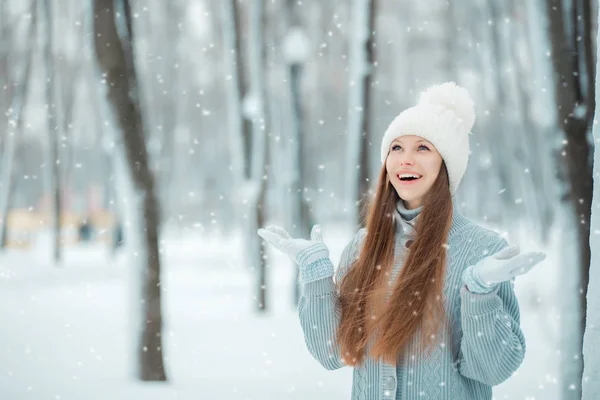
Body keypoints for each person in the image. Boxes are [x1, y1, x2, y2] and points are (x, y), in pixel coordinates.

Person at [257, 82, 546, 399]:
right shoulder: (363, 246)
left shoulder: (483, 249)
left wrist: (480, 292)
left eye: (422, 148)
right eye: (396, 148)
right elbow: (333, 353)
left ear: (446, 165)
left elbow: (493, 369)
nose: (405, 160)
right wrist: (315, 270)